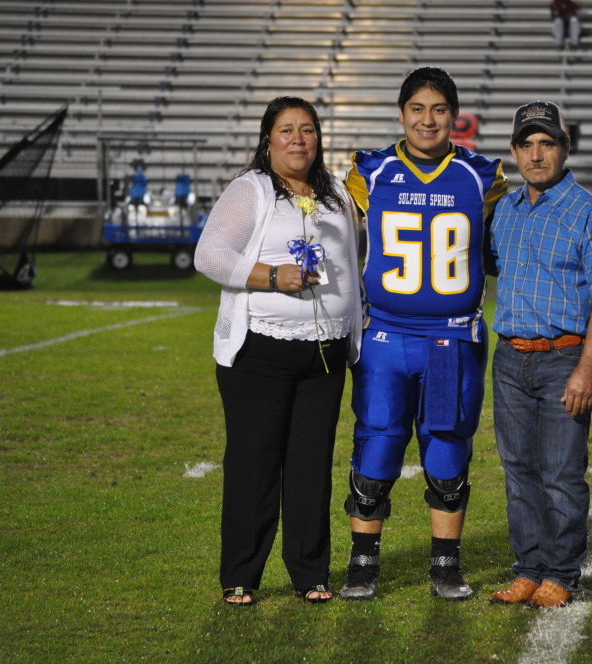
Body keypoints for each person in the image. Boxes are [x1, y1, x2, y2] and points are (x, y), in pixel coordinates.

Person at [339, 66, 508, 601]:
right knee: (378, 442)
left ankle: (446, 565)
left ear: (454, 117)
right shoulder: (370, 172)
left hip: (453, 336)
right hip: (386, 335)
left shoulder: (483, 176)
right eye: (418, 108)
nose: (428, 119)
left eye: (439, 109)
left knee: (446, 448)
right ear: (401, 113)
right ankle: (362, 563)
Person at [194, 96, 362, 606]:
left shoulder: (336, 192)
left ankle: (310, 572)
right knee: (254, 463)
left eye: (307, 130)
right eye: (286, 130)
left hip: (325, 356)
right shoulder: (251, 189)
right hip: (260, 354)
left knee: (312, 467)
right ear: (268, 139)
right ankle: (241, 574)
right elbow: (210, 254)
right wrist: (270, 276)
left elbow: (357, 260)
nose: (298, 139)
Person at [486, 101, 592, 609]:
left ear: (565, 148)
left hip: (564, 358)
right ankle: (528, 568)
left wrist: (587, 369)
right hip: (509, 358)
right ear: (515, 151)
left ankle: (562, 573)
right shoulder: (506, 210)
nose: (537, 153)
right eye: (528, 143)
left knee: (561, 474)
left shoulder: (590, 212)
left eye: (548, 143)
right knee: (519, 470)